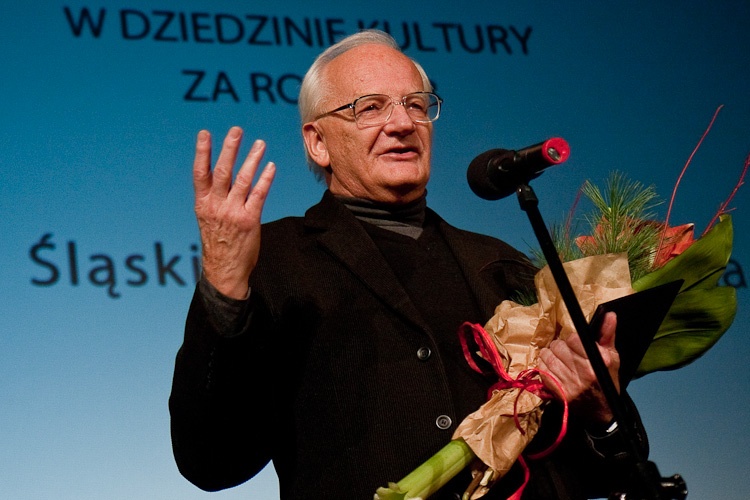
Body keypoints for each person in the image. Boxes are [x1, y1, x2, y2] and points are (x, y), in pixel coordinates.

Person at [169, 29, 648, 499]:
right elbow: (211, 461)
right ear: (318, 142)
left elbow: (613, 470)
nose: (402, 123)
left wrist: (602, 414)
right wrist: (225, 292)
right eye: (369, 108)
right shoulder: (274, 258)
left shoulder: (501, 264)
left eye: (416, 105)